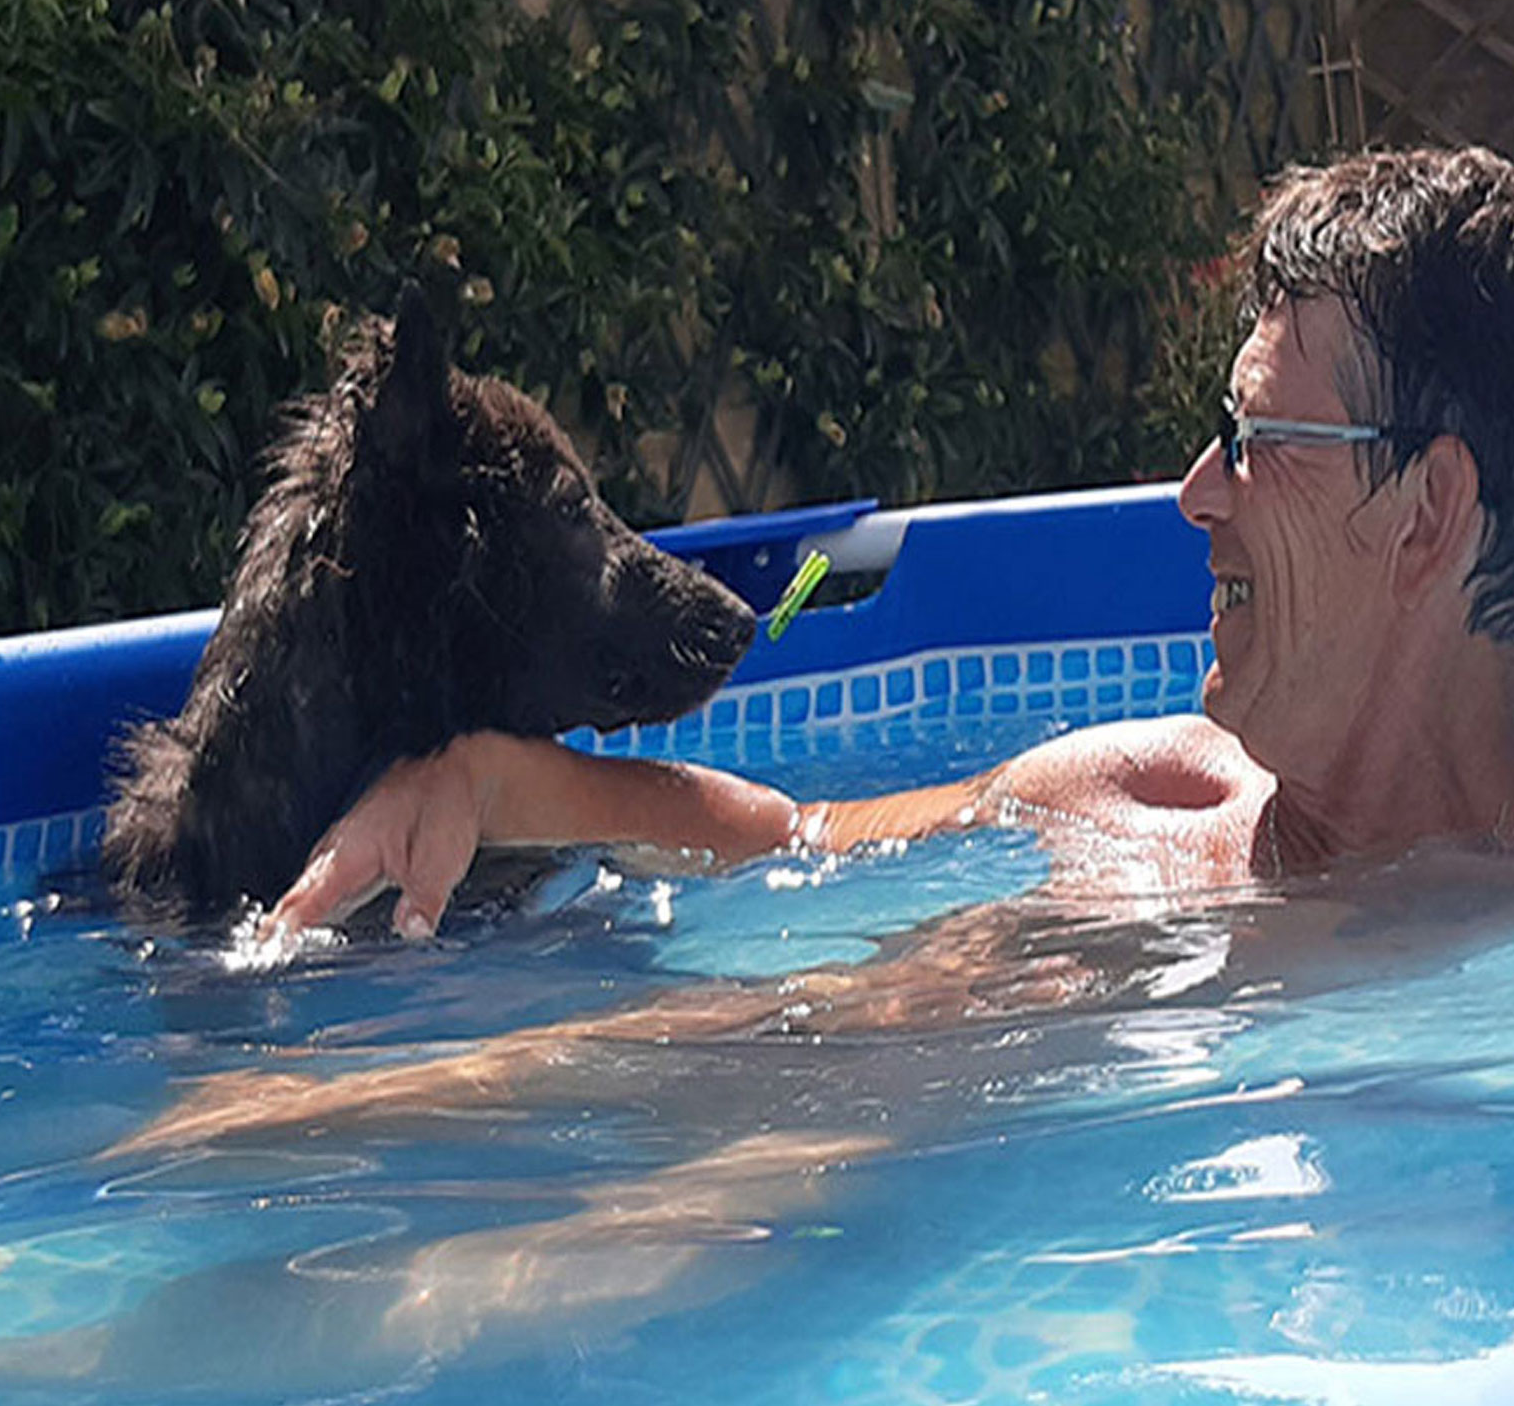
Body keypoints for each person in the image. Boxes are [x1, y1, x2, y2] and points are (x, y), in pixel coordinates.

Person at [118, 143, 1514, 1156]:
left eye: (1260, 440)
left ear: (1429, 509)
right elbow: (805, 830)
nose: (1196, 487)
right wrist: (486, 784)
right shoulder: (1153, 788)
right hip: (823, 1100)